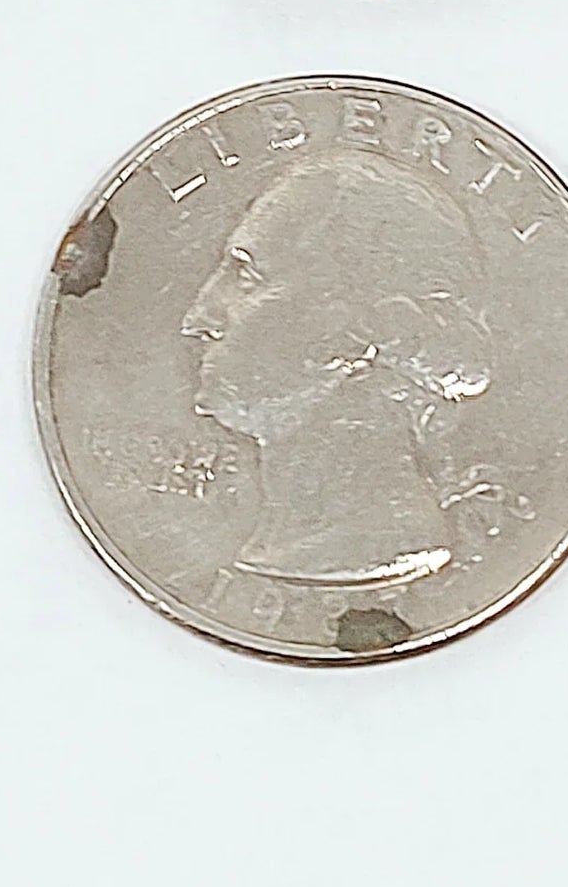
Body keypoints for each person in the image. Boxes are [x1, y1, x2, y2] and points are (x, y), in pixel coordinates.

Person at [181, 147, 500, 587]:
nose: (197, 319)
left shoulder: (366, 538)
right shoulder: (287, 540)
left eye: (248, 276)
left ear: (355, 324)